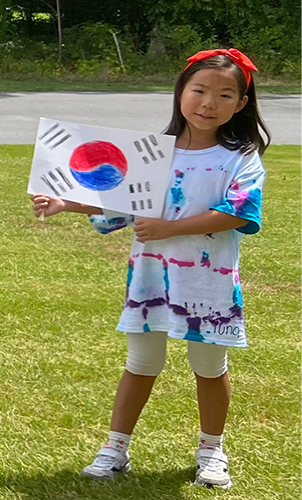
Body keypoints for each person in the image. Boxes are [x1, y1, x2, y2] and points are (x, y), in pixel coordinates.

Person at [33, 49, 268, 489]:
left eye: (224, 94)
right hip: (150, 279)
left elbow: (239, 212)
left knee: (209, 365)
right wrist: (67, 202)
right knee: (141, 361)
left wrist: (170, 227)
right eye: (198, 90)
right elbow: (121, 203)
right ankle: (115, 448)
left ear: (240, 103)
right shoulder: (152, 153)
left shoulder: (241, 157)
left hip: (207, 283)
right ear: (181, 92)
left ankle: (211, 450)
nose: (208, 102)